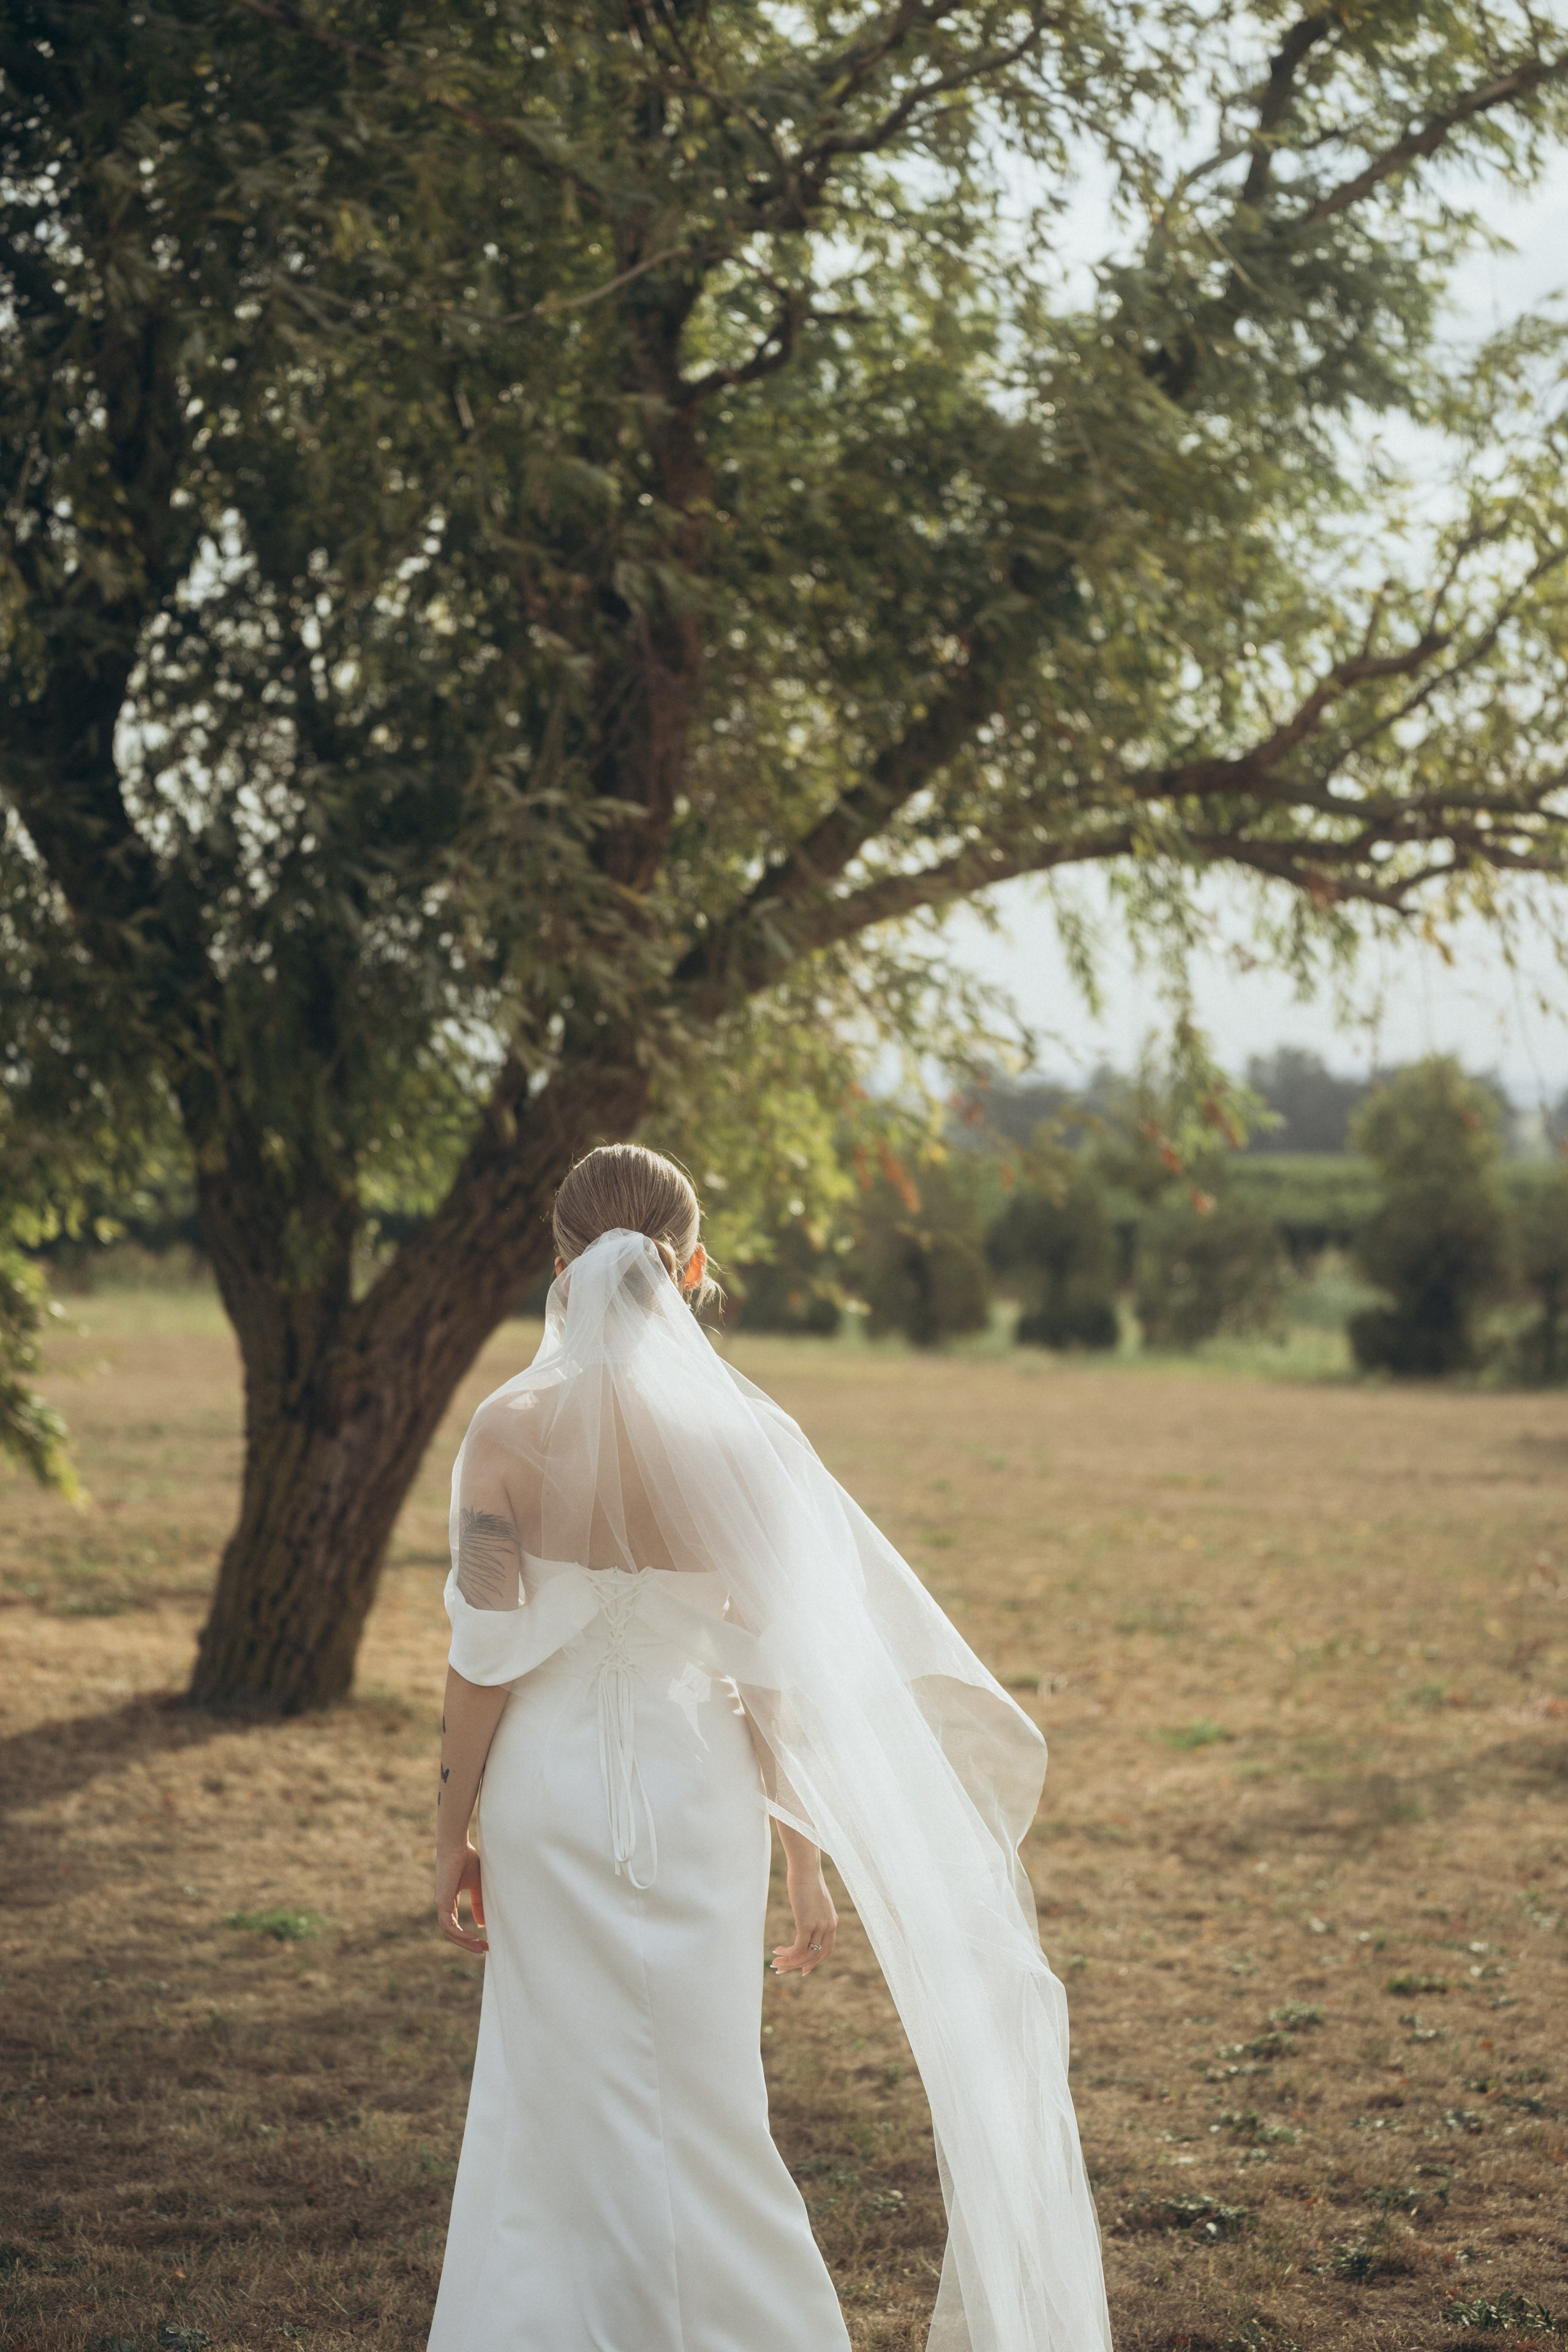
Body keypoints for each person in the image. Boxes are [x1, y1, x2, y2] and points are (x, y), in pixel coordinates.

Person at [428, 1144, 1111, 2352]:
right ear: (691, 1270)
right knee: (706, 2097)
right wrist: (800, 1856)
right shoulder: (744, 1446)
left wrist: (453, 1838)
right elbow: (773, 1676)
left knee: (552, 2091)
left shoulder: (504, 1434)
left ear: (559, 1271)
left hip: (548, 1795)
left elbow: (480, 1666)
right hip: (702, 1798)